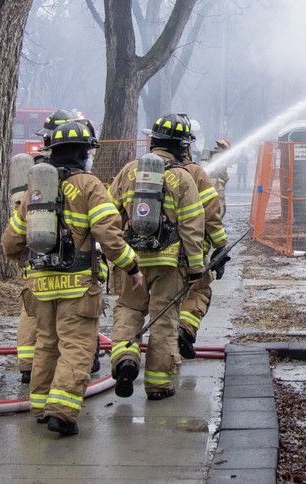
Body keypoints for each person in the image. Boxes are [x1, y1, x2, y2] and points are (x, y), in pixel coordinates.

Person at [1, 119, 142, 437]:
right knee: (76, 347)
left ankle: (40, 406)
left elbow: (10, 242)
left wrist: (25, 262)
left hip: (40, 286)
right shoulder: (90, 186)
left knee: (47, 345)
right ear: (85, 152)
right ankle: (62, 412)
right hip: (77, 285)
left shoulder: (36, 190)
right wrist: (131, 266)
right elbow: (109, 234)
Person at [108, 113, 206, 401]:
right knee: (164, 320)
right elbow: (192, 226)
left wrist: (116, 254)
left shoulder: (128, 172)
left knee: (128, 309)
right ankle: (159, 385)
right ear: (181, 146)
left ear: (153, 140)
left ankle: (125, 358)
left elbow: (111, 214)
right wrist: (197, 267)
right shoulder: (182, 178)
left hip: (131, 262)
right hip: (168, 262)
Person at [15, 108, 85, 384]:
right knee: (65, 326)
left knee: (33, 313)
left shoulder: (34, 170)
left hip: (33, 254)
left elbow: (18, 215)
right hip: (69, 259)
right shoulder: (70, 174)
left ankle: (27, 364)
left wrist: (16, 252)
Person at [176, 125, 229, 360]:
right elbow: (213, 214)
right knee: (199, 291)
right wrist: (221, 247)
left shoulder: (138, 171)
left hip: (146, 254)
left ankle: (127, 353)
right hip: (190, 252)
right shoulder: (196, 173)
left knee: (135, 308)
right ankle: (184, 330)